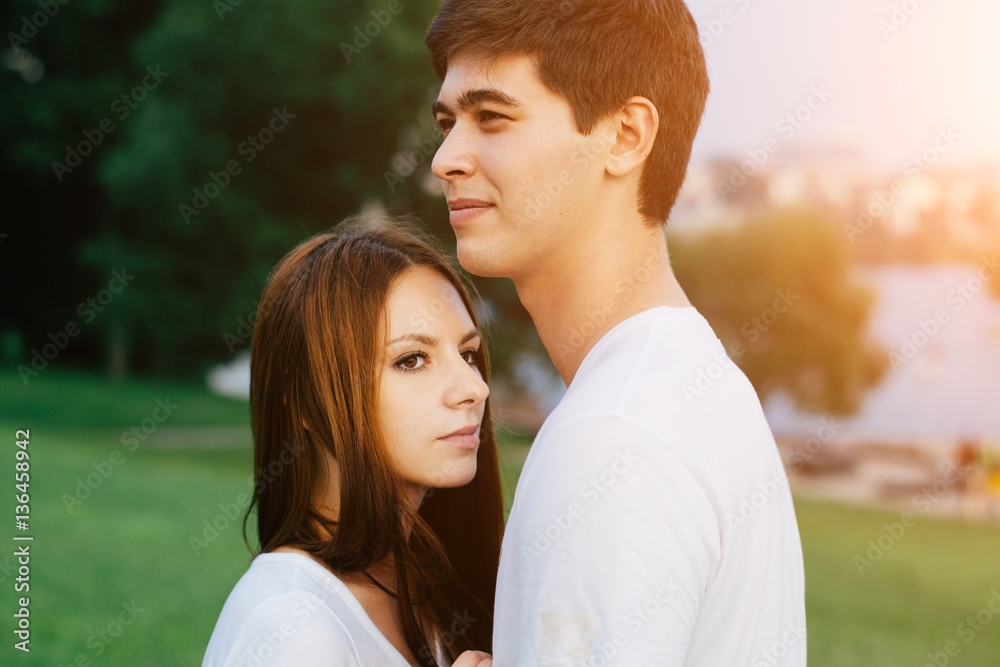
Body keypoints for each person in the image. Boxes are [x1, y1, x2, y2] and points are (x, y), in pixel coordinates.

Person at [425, 1, 807, 665]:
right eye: (448, 121)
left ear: (625, 135)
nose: (446, 158)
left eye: (491, 117)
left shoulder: (613, 437)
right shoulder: (694, 385)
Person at [202, 219, 504, 666]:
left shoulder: (435, 588)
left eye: (467, 354)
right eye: (412, 359)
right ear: (305, 397)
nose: (474, 388)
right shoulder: (293, 629)